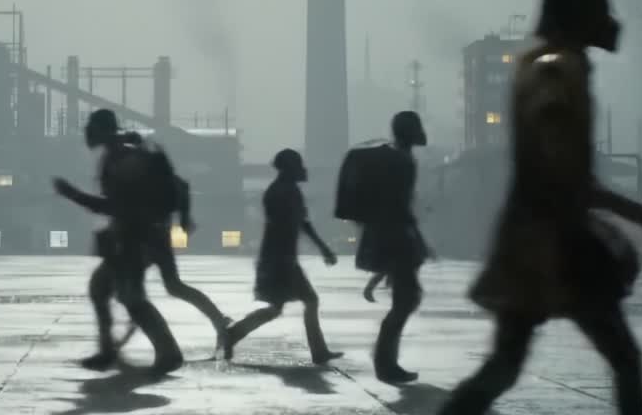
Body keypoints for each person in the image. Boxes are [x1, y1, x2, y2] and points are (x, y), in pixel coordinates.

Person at [402, 0, 642, 415]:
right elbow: (565, 171)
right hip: (557, 246)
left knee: (503, 367)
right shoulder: (558, 69)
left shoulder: (541, 62)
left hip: (532, 242)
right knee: (618, 359)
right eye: (597, 5)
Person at [54, 109, 184, 375]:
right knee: (102, 289)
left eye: (92, 126)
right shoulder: (117, 156)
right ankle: (108, 351)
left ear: (104, 129)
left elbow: (115, 206)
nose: (87, 132)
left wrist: (73, 195)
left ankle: (168, 352)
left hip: (134, 239)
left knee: (131, 298)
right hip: (130, 236)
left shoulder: (121, 159)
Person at [224, 149, 343, 364]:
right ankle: (318, 351)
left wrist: (322, 247)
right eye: (298, 165)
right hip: (281, 259)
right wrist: (322, 248)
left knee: (277, 308)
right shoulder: (284, 192)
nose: (303, 169)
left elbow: (301, 223)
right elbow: (299, 224)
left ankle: (232, 335)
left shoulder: (283, 190)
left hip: (277, 257)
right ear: (289, 168)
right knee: (308, 301)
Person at [336, 111, 429, 384]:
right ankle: (384, 362)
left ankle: (385, 360)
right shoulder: (403, 161)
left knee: (406, 299)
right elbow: (399, 204)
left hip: (390, 235)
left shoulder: (396, 156)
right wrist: (413, 237)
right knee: (407, 300)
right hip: (397, 237)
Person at [121, 131, 232, 349]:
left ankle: (138, 331)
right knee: (171, 286)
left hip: (149, 237)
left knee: (136, 286)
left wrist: (182, 217)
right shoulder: (154, 169)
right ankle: (219, 320)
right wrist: (184, 217)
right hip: (154, 236)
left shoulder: (144, 171)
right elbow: (182, 186)